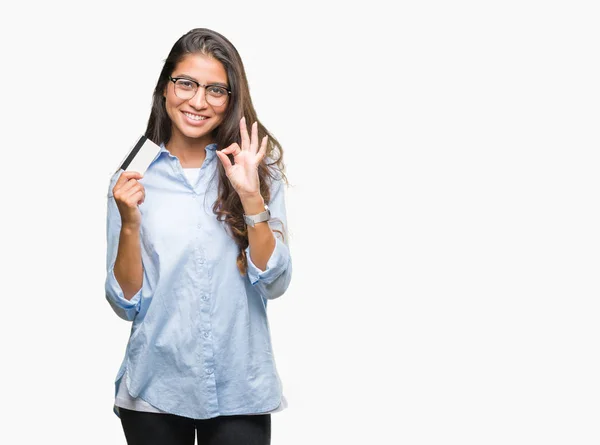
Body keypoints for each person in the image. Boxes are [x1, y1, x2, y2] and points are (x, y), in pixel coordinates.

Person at [104, 28, 292, 445]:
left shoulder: (257, 172)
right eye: (186, 83)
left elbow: (275, 282)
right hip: (154, 388)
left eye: (215, 90)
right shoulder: (130, 180)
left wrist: (250, 197)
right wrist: (130, 223)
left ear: (231, 98)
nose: (198, 101)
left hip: (240, 386)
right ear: (165, 87)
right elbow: (125, 302)